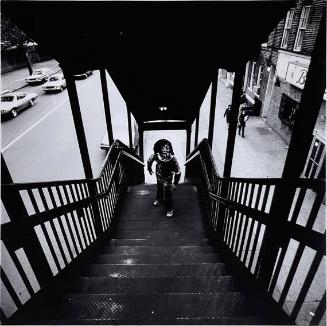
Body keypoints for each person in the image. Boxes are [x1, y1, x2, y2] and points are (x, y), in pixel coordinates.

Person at [147, 139, 181, 217]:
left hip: (168, 178)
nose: (166, 149)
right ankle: (159, 198)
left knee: (168, 193)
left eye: (168, 147)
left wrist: (175, 183)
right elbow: (150, 160)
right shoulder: (156, 156)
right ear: (158, 149)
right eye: (164, 148)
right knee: (159, 187)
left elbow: (178, 172)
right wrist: (149, 168)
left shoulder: (173, 160)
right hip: (159, 175)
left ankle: (169, 209)